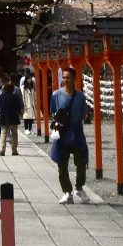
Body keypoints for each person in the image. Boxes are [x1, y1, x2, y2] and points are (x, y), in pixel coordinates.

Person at [49, 69, 91, 203]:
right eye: (64, 78)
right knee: (62, 164)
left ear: (74, 79)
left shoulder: (80, 96)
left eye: (68, 78)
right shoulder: (56, 95)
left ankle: (79, 187)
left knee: (81, 162)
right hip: (62, 135)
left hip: (77, 134)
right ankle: (67, 192)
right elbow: (53, 113)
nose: (65, 80)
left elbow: (83, 114)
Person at [0, 76, 24, 155]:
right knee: (14, 134)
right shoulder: (14, 97)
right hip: (13, 117)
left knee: (3, 133)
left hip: (4, 116)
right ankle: (14, 150)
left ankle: (2, 150)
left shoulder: (1, 97)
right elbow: (18, 107)